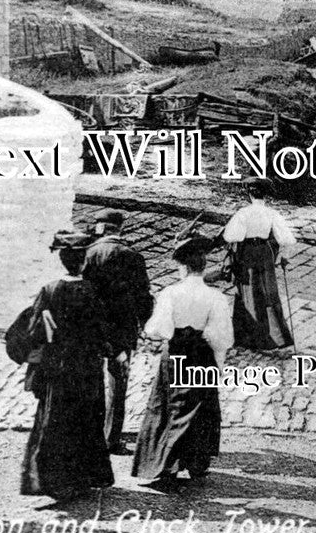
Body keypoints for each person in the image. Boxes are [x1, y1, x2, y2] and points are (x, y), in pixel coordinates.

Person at [20, 232, 114, 501]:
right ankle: (83, 478)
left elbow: (33, 332)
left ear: (62, 260)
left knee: (55, 421)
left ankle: (54, 481)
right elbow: (102, 332)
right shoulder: (93, 291)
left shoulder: (49, 291)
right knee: (86, 420)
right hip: (86, 368)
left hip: (58, 367)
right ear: (84, 261)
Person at [132, 235, 233, 485]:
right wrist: (216, 361)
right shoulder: (216, 297)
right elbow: (222, 337)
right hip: (202, 353)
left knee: (169, 405)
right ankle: (196, 462)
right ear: (202, 266)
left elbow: (156, 329)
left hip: (176, 351)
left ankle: (165, 463)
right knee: (200, 407)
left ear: (183, 267)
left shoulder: (171, 292)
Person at [81, 210, 152, 454]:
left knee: (89, 380)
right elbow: (143, 297)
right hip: (121, 330)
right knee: (117, 384)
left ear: (99, 228)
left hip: (91, 328)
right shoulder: (133, 257)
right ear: (119, 230)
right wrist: (145, 324)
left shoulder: (87, 254)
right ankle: (111, 438)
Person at [222, 178, 296, 350]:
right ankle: (275, 337)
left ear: (249, 194)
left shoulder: (243, 213)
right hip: (264, 254)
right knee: (268, 291)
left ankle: (247, 337)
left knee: (247, 291)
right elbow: (287, 238)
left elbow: (231, 236)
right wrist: (284, 256)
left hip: (247, 253)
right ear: (265, 196)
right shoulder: (271, 213)